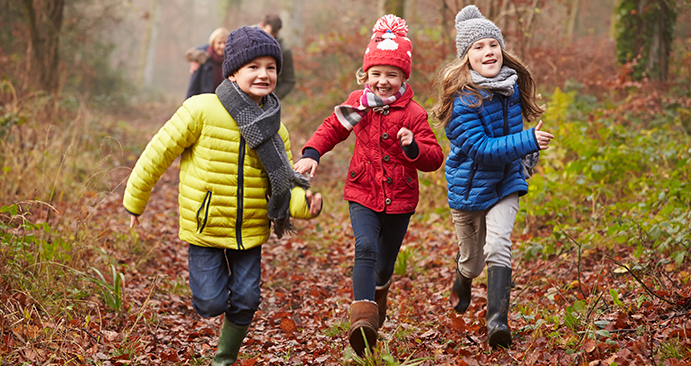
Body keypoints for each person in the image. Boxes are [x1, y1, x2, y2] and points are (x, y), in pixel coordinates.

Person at [123, 26, 322, 366]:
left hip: (251, 229)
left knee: (246, 299)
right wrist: (135, 201)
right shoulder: (201, 109)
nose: (264, 74)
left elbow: (284, 184)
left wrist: (306, 205)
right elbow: (157, 154)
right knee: (210, 303)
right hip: (206, 227)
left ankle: (224, 358)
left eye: (271, 67)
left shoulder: (276, 127)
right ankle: (213, 301)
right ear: (232, 72)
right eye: (253, 67)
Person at [294, 14, 444, 357]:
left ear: (403, 77)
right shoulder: (359, 104)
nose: (383, 81)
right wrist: (313, 153)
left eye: (392, 74)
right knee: (365, 247)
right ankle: (362, 317)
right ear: (366, 75)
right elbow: (333, 126)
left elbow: (434, 158)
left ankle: (378, 296)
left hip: (401, 198)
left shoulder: (414, 114)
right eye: (376, 74)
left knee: (385, 263)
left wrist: (412, 147)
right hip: (362, 191)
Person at [431, 5, 555, 349]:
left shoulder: (511, 88)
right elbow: (482, 149)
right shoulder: (461, 102)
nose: (488, 52)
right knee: (473, 260)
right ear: (466, 58)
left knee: (498, 244)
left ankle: (497, 321)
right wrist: (527, 140)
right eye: (478, 47)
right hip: (470, 189)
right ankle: (463, 275)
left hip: (505, 182)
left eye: (493, 45)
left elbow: (511, 138)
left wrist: (527, 152)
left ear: (502, 49)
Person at [188, 14, 295, 100]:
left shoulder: (283, 49)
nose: (269, 38)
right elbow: (223, 44)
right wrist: (199, 56)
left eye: (270, 68)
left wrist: (271, 94)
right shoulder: (245, 35)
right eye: (253, 67)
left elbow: (289, 80)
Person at [185, 27, 229, 99]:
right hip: (205, 101)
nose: (222, 46)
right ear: (213, 43)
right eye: (219, 43)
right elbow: (194, 86)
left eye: (225, 43)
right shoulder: (202, 59)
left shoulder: (232, 60)